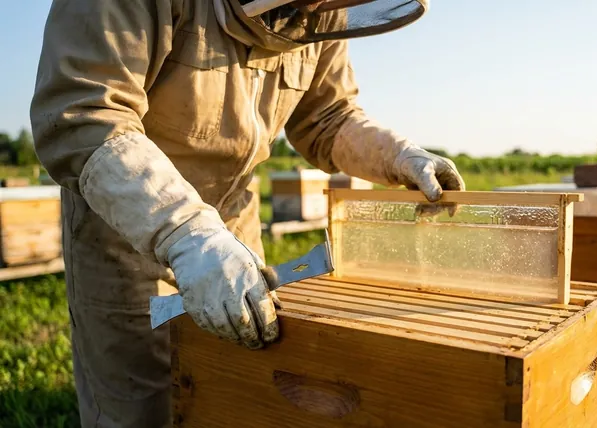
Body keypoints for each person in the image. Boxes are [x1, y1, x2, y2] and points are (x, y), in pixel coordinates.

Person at [29, 0, 464, 426]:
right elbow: (86, 118)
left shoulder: (321, 10)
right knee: (144, 403)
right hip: (129, 226)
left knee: (235, 390)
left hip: (235, 225)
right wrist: (188, 234)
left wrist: (398, 156)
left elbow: (328, 117)